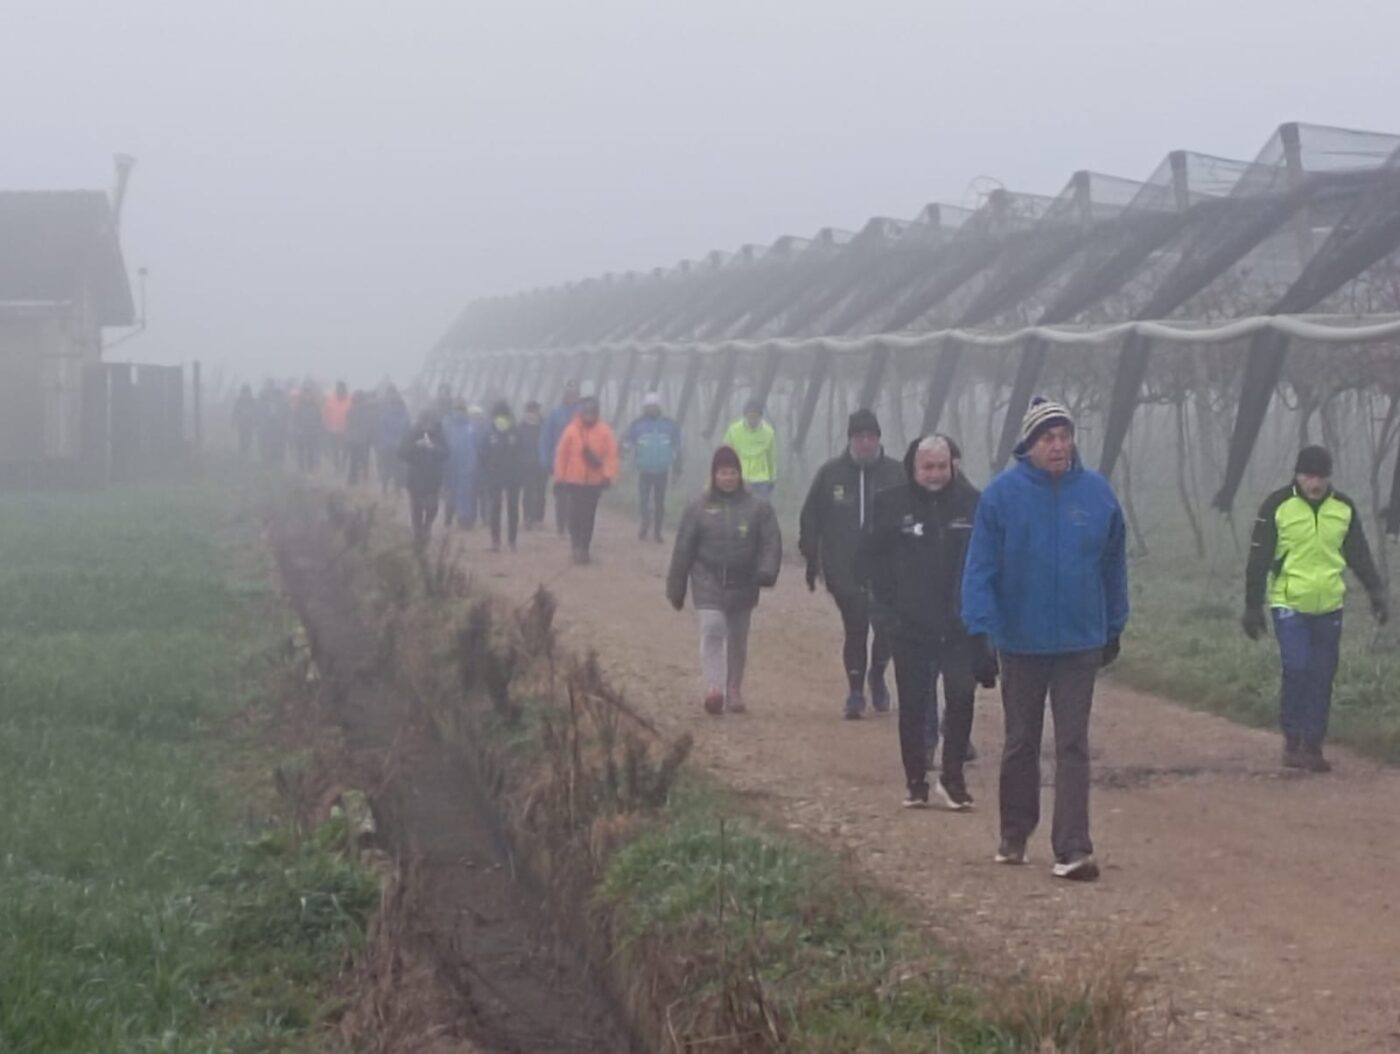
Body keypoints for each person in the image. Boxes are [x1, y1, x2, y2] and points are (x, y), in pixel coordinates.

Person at [961, 397, 1128, 882]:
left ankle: (1073, 847)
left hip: (1079, 641)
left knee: (1073, 742)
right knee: (1021, 741)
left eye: (1064, 436)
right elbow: (981, 568)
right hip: (1022, 640)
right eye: (1047, 438)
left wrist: (1113, 625)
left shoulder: (1097, 495)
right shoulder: (1001, 497)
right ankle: (1015, 831)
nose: (1058, 446)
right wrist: (979, 631)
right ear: (1029, 446)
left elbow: (1114, 565)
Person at [1242, 445, 1388, 772]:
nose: (1315, 483)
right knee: (1298, 667)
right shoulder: (1276, 506)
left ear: (1328, 476)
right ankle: (1293, 740)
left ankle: (1313, 744)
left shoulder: (1343, 508)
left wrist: (1376, 592)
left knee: (1323, 674)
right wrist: (1253, 606)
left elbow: (1359, 554)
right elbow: (1258, 559)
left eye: (1320, 476)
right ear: (1297, 474)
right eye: (1309, 476)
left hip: (1330, 605)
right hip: (1289, 602)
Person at [864, 434, 986, 810]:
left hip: (958, 624)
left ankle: (953, 780)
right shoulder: (890, 504)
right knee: (914, 704)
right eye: (927, 467)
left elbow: (986, 563)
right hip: (909, 624)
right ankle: (915, 780)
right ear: (913, 468)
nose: (935, 474)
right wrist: (885, 613)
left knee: (962, 695)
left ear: (953, 466)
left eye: (942, 466)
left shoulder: (973, 504)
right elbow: (870, 562)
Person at [800, 408, 905, 719]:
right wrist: (811, 558)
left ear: (878, 439)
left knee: (885, 629)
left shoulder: (897, 473)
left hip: (887, 571)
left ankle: (878, 674)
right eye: (859, 437)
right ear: (850, 440)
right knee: (855, 628)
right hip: (844, 568)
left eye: (871, 437)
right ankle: (856, 691)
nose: (865, 443)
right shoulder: (830, 474)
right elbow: (811, 518)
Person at [666, 446, 783, 715]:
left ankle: (734, 689)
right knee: (713, 629)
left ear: (740, 476)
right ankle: (715, 688)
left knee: (738, 639)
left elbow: (770, 541)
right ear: (714, 475)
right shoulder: (698, 507)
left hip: (745, 581)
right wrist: (676, 586)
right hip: (708, 578)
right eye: (723, 472)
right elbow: (684, 547)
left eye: (732, 473)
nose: (728, 477)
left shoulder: (758, 507)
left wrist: (767, 570)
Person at [553, 388, 618, 564]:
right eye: (586, 412)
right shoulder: (571, 431)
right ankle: (576, 545)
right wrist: (560, 478)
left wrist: (607, 475)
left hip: (594, 482)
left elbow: (611, 455)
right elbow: (562, 455)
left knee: (589, 516)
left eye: (592, 413)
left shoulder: (605, 432)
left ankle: (584, 548)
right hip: (574, 481)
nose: (589, 416)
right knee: (574, 515)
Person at [623, 391, 683, 543]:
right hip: (644, 470)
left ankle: (657, 531)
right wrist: (622, 451)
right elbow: (627, 440)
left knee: (659, 502)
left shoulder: (669, 425)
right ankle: (645, 522)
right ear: (644, 408)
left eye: (654, 406)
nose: (651, 409)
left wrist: (677, 469)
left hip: (662, 471)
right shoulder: (637, 424)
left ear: (658, 407)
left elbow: (678, 447)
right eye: (648, 407)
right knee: (643, 500)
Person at [479, 399, 529, 552]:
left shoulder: (516, 432)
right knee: (495, 507)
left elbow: (523, 453)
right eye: (498, 416)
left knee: (513, 508)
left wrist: (521, 472)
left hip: (513, 476)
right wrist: (487, 470)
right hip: (494, 476)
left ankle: (512, 540)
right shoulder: (489, 433)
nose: (501, 419)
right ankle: (495, 541)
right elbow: (482, 454)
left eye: (504, 416)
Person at [398, 410, 449, 548]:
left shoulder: (439, 435)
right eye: (425, 423)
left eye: (430, 423)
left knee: (432, 507)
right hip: (415, 478)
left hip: (433, 479)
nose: (428, 426)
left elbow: (446, 453)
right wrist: (416, 446)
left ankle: (428, 526)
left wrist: (433, 448)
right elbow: (401, 453)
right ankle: (418, 535)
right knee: (416, 509)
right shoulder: (412, 434)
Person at [541, 379, 582, 535]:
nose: (571, 397)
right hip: (560, 462)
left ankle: (573, 525)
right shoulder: (555, 414)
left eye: (574, 394)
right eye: (568, 394)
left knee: (576, 497)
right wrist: (545, 459)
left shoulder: (583, 413)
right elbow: (546, 437)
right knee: (561, 496)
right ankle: (561, 525)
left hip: (579, 463)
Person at [723, 399, 777, 499]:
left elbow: (771, 458)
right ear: (745, 416)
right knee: (739, 509)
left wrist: (772, 478)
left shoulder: (769, 432)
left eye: (755, 417)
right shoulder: (733, 430)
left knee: (762, 509)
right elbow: (725, 455)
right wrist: (725, 477)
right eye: (750, 417)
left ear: (760, 416)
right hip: (739, 478)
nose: (753, 420)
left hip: (761, 480)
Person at [441, 401, 481, 529]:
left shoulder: (470, 426)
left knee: (466, 493)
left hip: (467, 465)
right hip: (452, 465)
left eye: (461, 410)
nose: (459, 413)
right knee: (454, 493)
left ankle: (464, 519)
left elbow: (476, 445)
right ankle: (450, 519)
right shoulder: (447, 425)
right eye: (457, 410)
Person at [375, 385, 411, 496]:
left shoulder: (384, 416)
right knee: (398, 470)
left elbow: (380, 431)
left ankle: (384, 489)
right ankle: (397, 490)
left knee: (386, 468)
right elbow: (408, 433)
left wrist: (381, 444)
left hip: (386, 447)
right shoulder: (406, 417)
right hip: (400, 447)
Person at [518, 400, 548, 530]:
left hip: (541, 463)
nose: (532, 413)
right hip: (526, 464)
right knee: (528, 492)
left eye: (534, 410)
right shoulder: (520, 427)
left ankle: (539, 518)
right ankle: (527, 518)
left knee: (541, 492)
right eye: (530, 410)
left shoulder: (544, 426)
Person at [345, 390, 376, 486]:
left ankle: (353, 481)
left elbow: (349, 423)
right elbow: (370, 424)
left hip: (356, 439)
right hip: (362, 439)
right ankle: (363, 480)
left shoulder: (352, 410)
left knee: (355, 461)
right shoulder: (368, 409)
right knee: (363, 460)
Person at [256, 380, 289, 467]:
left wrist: (284, 423)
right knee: (264, 444)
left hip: (278, 427)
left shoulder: (281, 398)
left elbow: (286, 412)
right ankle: (266, 461)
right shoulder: (262, 398)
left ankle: (276, 461)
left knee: (278, 444)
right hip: (265, 426)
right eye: (268, 386)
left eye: (270, 385)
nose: (269, 388)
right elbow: (258, 411)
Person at [292, 382, 323, 472]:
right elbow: (295, 420)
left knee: (311, 451)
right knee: (301, 451)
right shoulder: (299, 407)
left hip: (312, 432)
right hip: (301, 432)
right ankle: (301, 467)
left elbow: (319, 419)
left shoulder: (316, 407)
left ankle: (310, 468)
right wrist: (297, 430)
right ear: (303, 395)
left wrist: (318, 429)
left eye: (309, 394)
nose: (307, 397)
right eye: (306, 394)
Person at [323, 381, 352, 471]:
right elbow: (325, 413)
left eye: (342, 389)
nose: (340, 391)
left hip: (346, 430)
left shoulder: (350, 400)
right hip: (333, 429)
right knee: (335, 450)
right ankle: (336, 466)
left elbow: (355, 414)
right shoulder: (330, 399)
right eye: (339, 388)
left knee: (345, 450)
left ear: (345, 389)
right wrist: (326, 425)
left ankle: (343, 465)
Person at [232, 384, 257, 458]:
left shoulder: (252, 400)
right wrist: (233, 421)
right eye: (244, 392)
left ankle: (247, 451)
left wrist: (255, 421)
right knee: (242, 437)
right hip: (241, 423)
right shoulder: (239, 400)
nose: (246, 394)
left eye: (247, 392)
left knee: (249, 437)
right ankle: (242, 452)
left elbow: (256, 411)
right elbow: (235, 411)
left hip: (249, 423)